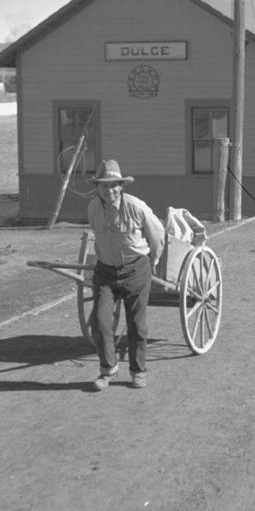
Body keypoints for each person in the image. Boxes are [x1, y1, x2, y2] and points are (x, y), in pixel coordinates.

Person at [86, 159, 165, 390]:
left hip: (135, 270)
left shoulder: (136, 207)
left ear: (121, 186)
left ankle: (138, 371)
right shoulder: (92, 208)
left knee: (137, 325)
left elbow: (157, 234)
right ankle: (108, 369)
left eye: (113, 185)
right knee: (100, 322)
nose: (108, 190)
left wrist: (152, 261)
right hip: (105, 271)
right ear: (97, 188)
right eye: (103, 186)